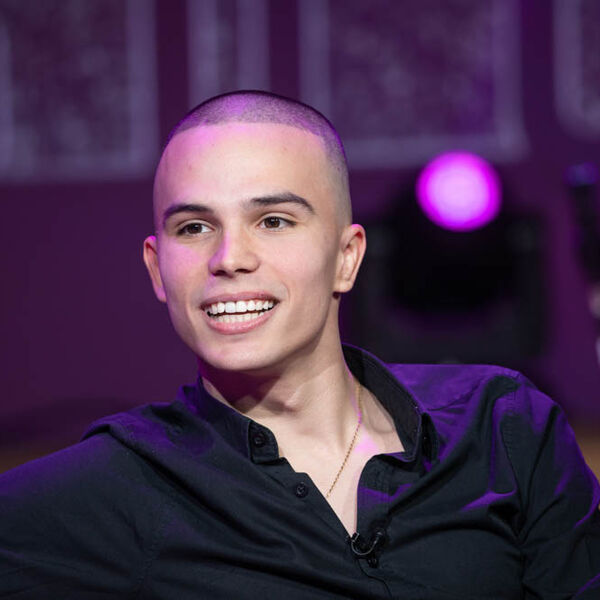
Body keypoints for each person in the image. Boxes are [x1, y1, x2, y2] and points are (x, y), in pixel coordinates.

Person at [1, 90, 599, 599]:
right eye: (194, 227)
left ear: (347, 257)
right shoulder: (120, 486)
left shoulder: (501, 427)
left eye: (273, 221)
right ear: (158, 270)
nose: (229, 258)